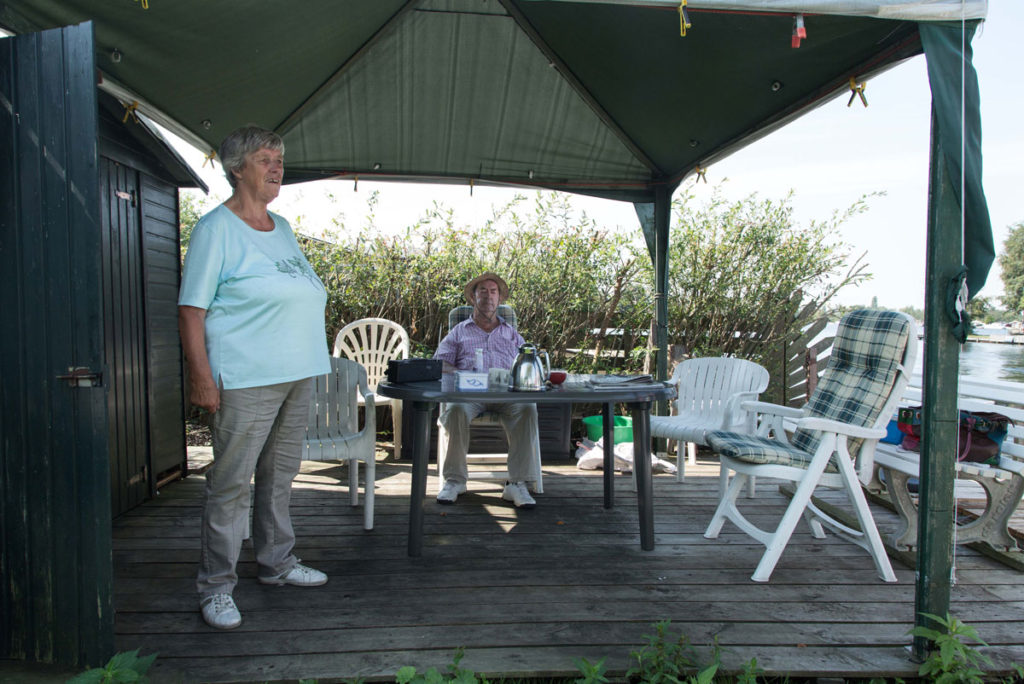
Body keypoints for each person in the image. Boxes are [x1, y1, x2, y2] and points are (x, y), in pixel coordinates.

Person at [178, 125, 331, 630]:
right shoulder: (215, 229)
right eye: (266, 158)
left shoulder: (281, 227)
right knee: (230, 485)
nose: (276, 167)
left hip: (297, 373)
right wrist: (202, 378)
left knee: (279, 478)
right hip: (246, 376)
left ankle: (276, 563)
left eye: (280, 160)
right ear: (238, 167)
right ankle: (216, 586)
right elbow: (191, 311)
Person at [433, 272, 540, 509]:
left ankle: (517, 483)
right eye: (483, 291)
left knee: (528, 409)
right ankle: (455, 480)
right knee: (456, 410)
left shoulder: (512, 334)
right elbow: (439, 362)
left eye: (493, 292)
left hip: (506, 396)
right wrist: (461, 373)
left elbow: (525, 363)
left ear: (499, 299)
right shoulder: (459, 331)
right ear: (473, 297)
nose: (488, 297)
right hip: (470, 395)